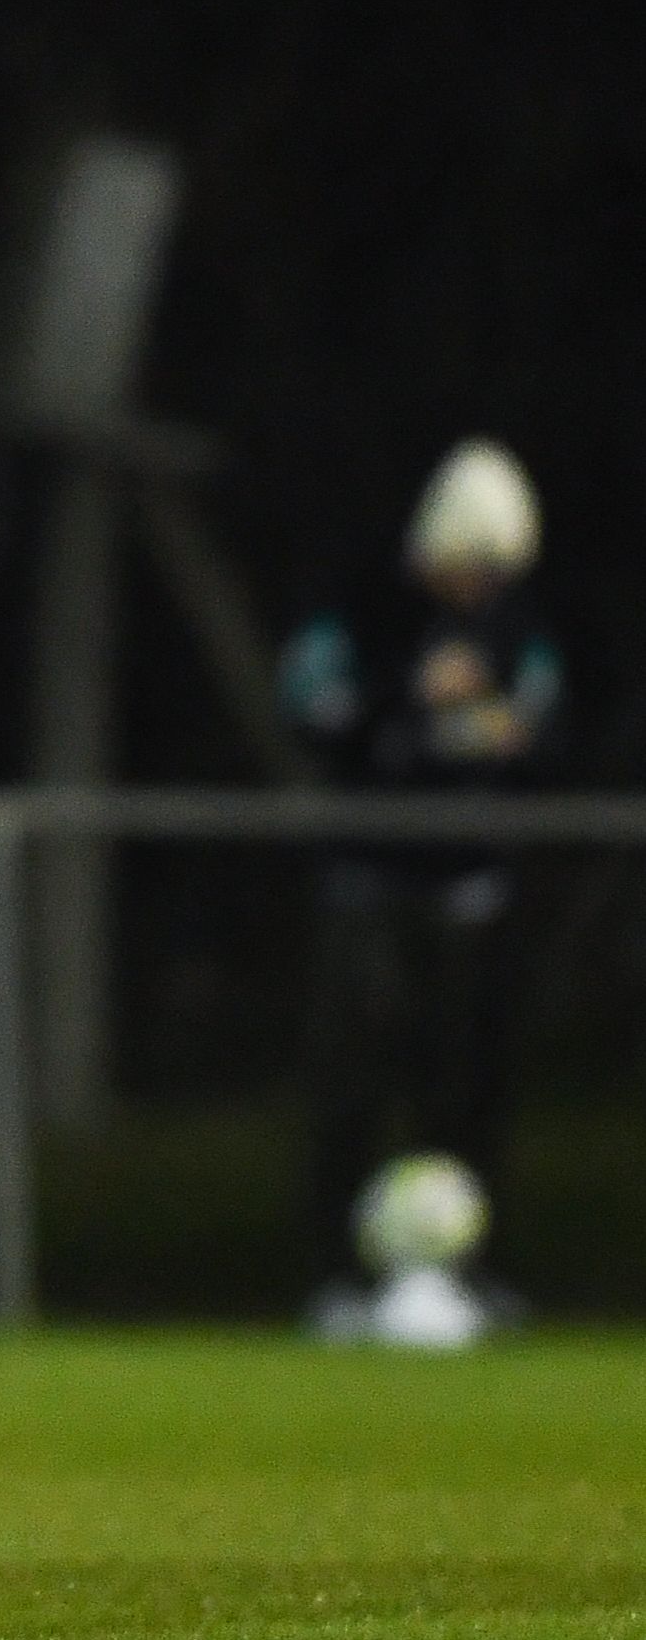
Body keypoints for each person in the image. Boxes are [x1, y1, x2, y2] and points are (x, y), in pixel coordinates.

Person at [283, 437, 561, 1333]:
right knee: (353, 1085)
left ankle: (472, 1273)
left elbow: (547, 730)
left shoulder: (516, 626)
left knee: (468, 1085)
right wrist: (410, 695)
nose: (481, 587)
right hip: (371, 880)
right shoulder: (368, 610)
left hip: (468, 889)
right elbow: (316, 711)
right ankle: (335, 1277)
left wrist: (508, 734)